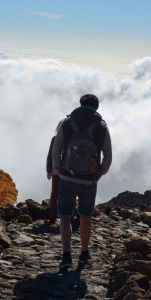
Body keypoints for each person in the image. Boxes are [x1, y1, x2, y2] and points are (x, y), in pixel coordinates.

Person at [50, 94, 112, 270]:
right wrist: (99, 173)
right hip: (89, 180)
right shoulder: (101, 126)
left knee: (65, 216)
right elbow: (108, 155)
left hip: (67, 177)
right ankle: (84, 253)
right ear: (96, 107)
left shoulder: (67, 124)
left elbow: (56, 150)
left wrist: (58, 170)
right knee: (86, 215)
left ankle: (66, 255)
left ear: (80, 104)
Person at [45, 131, 59, 224]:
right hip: (69, 172)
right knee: (69, 194)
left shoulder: (55, 138)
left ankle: (52, 217)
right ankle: (69, 216)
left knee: (54, 194)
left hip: (55, 171)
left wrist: (49, 170)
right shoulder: (72, 137)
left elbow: (50, 155)